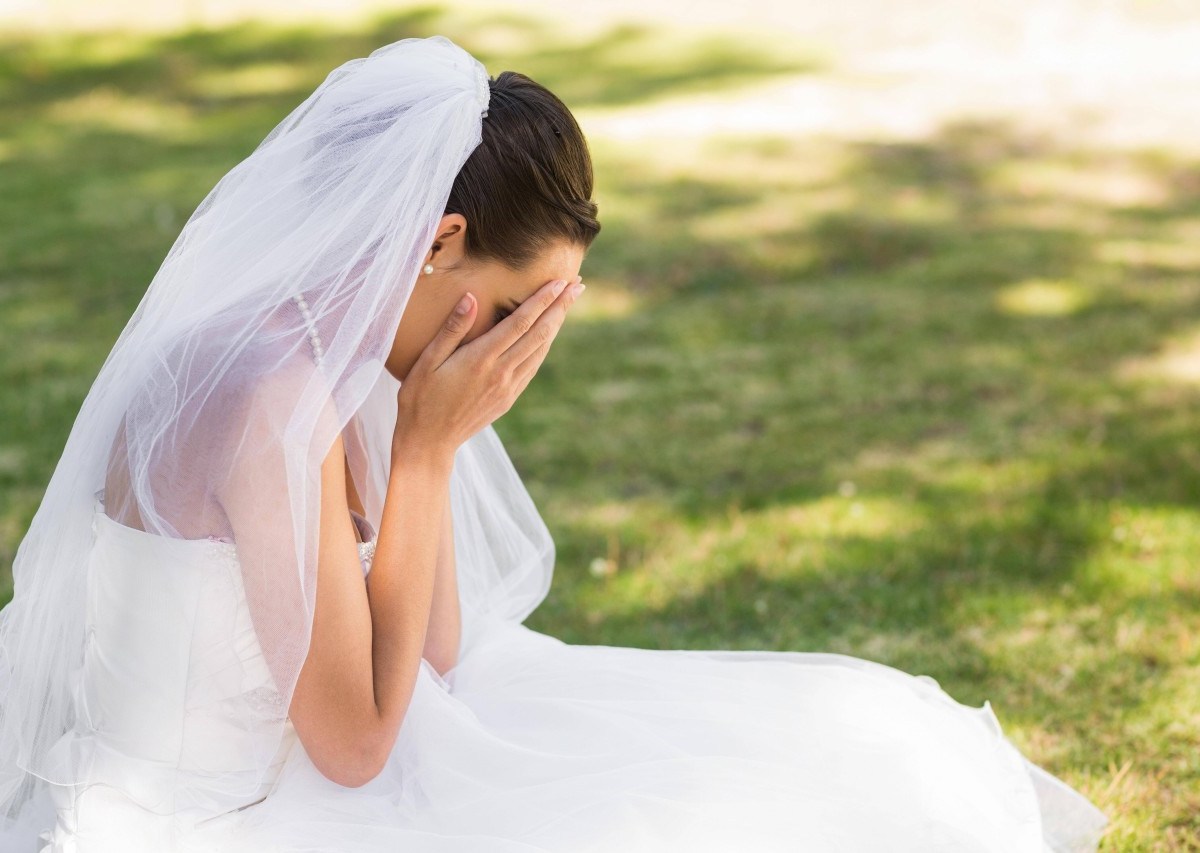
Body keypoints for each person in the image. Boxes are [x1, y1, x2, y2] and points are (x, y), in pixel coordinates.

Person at [0, 35, 1108, 852]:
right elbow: (354, 745)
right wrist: (428, 454)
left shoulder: (320, 349)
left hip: (297, 773)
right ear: (440, 242)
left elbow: (426, 653)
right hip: (207, 818)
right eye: (515, 306)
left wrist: (424, 431)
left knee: (786, 759)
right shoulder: (276, 395)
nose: (518, 344)